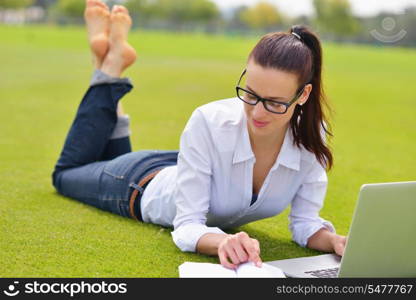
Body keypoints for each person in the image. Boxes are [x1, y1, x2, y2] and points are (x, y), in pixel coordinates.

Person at [52, 0, 347, 270]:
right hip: (137, 185)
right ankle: (110, 65)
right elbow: (187, 225)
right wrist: (222, 241)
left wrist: (336, 241)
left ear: (303, 95)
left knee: (105, 159)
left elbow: (306, 223)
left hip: (181, 168)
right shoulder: (210, 121)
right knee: (66, 174)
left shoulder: (312, 136)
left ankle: (107, 62)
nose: (257, 113)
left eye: (275, 103)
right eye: (251, 94)